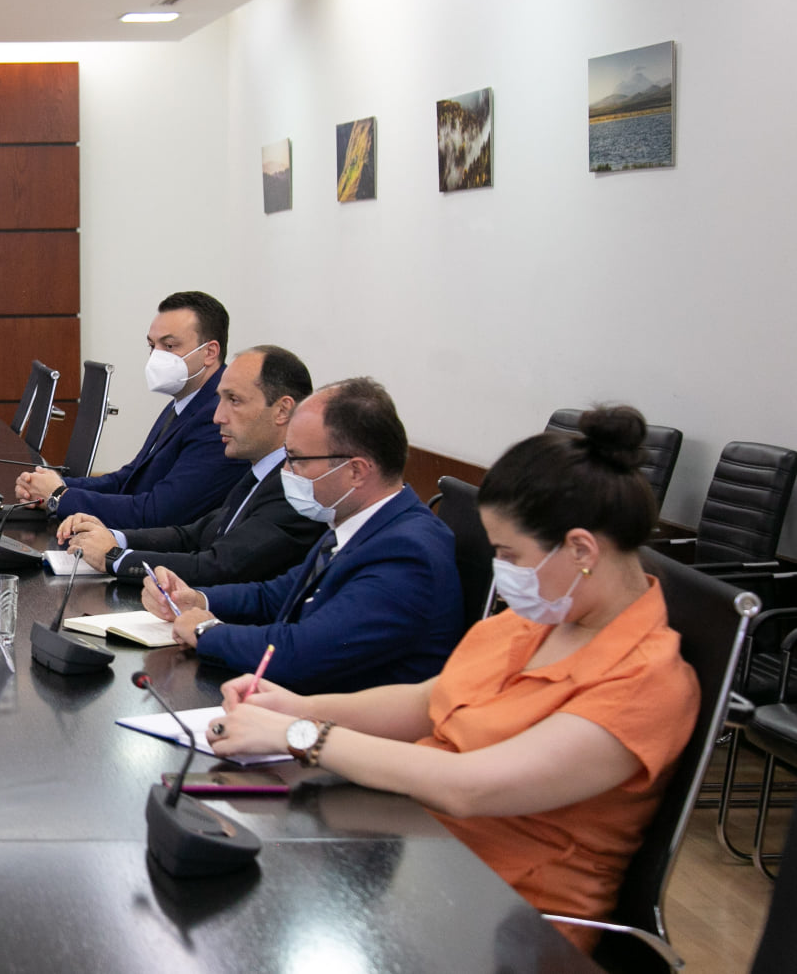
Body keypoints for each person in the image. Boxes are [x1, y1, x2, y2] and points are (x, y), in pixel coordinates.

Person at [201, 406, 700, 951]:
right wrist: (296, 707)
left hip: (511, 922)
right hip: (419, 850)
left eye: (510, 554)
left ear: (581, 549)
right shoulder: (544, 617)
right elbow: (429, 701)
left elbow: (471, 786)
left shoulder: (648, 683)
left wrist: (301, 736)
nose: (503, 574)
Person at [143, 377, 463, 693]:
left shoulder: (407, 553)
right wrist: (196, 599)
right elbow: (278, 595)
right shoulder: (356, 523)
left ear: (356, 471)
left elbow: (301, 653)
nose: (285, 472)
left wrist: (206, 631)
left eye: (296, 460)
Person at [57, 344, 323, 586]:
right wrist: (115, 537)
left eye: (234, 400)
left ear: (282, 410)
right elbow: (194, 535)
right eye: (220, 399)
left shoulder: (297, 487)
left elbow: (219, 566)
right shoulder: (259, 472)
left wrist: (114, 557)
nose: (218, 416)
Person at [14, 291, 248, 528]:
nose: (156, 356)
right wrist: (54, 484)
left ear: (209, 352)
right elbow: (130, 479)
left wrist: (58, 497)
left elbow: (159, 513)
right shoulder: (186, 400)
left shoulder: (218, 417)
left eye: (169, 346)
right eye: (152, 346)